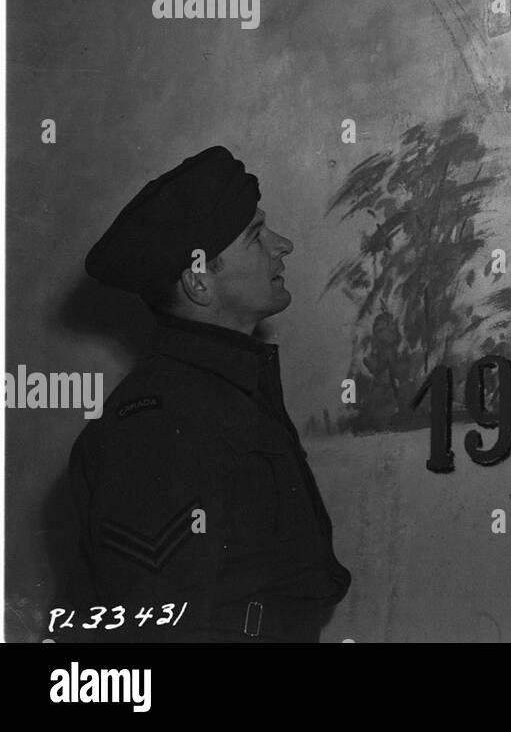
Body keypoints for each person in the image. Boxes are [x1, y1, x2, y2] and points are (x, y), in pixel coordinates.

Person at [67, 146, 351, 642]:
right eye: (256, 235)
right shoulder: (159, 426)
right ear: (199, 281)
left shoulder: (222, 391)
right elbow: (157, 633)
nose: (282, 245)